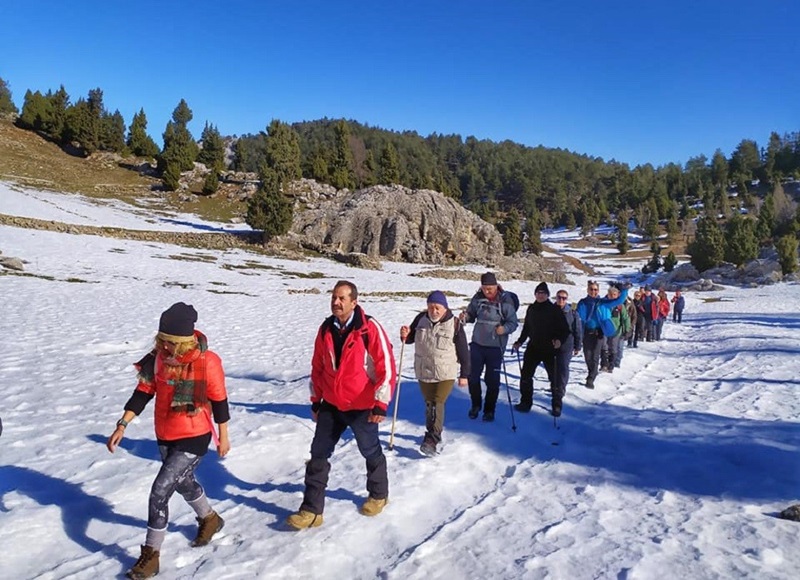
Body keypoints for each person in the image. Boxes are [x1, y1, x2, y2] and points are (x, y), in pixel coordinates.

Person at [106, 302, 230, 580]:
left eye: (170, 343)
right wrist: (122, 424)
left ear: (185, 342)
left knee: (160, 491)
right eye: (161, 341)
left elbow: (220, 400)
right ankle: (210, 519)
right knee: (184, 483)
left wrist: (223, 436)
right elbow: (143, 390)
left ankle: (151, 556)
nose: (164, 347)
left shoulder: (207, 361)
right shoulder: (159, 357)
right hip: (165, 434)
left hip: (195, 436)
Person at [287, 281, 396, 529]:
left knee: (369, 449)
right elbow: (317, 366)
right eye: (334, 297)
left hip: (362, 404)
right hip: (332, 404)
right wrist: (316, 400)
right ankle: (311, 511)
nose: (336, 302)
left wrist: (380, 402)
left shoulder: (369, 328)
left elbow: (386, 366)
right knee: (318, 454)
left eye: (342, 298)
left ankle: (379, 494)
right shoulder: (326, 328)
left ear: (354, 302)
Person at [400, 291, 470, 456]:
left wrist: (464, 374)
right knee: (430, 404)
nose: (434, 311)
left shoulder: (455, 324)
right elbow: (409, 338)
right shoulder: (421, 319)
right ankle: (431, 432)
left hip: (445, 372)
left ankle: (432, 438)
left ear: (445, 308)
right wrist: (404, 334)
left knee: (438, 402)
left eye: (437, 307)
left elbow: (463, 351)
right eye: (431, 307)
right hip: (424, 369)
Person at [459, 272, 519, 422]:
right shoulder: (478, 298)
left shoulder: (505, 300)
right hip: (477, 344)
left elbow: (513, 322)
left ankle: (489, 410)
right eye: (485, 288)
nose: (487, 291)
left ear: (496, 286)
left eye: (490, 288)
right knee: (473, 377)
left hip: (495, 347)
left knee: (492, 380)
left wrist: (504, 329)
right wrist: (465, 317)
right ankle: (475, 405)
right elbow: (471, 315)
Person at [512, 282, 570, 416]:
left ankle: (556, 405)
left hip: (550, 349)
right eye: (538, 293)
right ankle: (525, 402)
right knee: (526, 375)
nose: (540, 295)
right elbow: (526, 327)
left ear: (548, 295)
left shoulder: (554, 309)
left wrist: (559, 340)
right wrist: (520, 341)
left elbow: (565, 330)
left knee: (554, 379)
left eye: (543, 293)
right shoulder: (531, 309)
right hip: (533, 347)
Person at [576, 280, 628, 389]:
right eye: (591, 289)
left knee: (594, 356)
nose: (593, 291)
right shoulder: (582, 302)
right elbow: (577, 318)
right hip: (586, 332)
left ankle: (591, 378)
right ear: (587, 290)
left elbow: (620, 300)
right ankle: (591, 371)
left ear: (598, 290)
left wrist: (624, 289)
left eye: (595, 289)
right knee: (587, 356)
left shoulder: (603, 302)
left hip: (598, 332)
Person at [555, 289, 582, 407]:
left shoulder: (572, 313)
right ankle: (555, 386)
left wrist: (577, 345)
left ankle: (560, 389)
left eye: (564, 298)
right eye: (559, 297)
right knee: (554, 367)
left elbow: (577, 330)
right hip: (552, 344)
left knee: (563, 366)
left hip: (567, 344)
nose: (561, 300)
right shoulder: (551, 310)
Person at [601, 287, 630, 371]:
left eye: (614, 295)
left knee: (613, 348)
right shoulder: (603, 304)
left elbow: (625, 318)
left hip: (616, 331)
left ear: (617, 295)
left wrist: (627, 329)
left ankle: (611, 365)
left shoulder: (620, 306)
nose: (612, 296)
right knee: (604, 346)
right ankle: (604, 364)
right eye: (610, 294)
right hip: (605, 329)